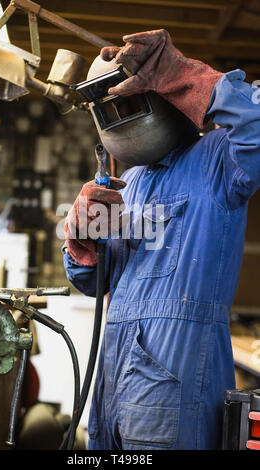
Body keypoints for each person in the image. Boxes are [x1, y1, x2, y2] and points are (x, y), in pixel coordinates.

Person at [62, 29, 260, 450]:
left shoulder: (217, 160)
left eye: (130, 101)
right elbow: (94, 284)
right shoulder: (127, 184)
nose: (122, 116)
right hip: (114, 379)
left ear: (161, 94)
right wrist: (81, 244)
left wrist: (185, 74)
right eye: (112, 109)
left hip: (177, 378)